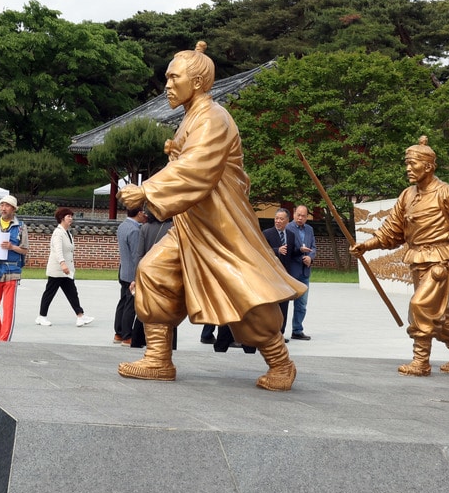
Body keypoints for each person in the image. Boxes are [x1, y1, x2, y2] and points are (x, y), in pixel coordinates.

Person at [119, 42, 305, 390]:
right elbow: (184, 165)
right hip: (192, 225)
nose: (168, 85)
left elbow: (196, 168)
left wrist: (147, 191)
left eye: (174, 77)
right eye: (167, 78)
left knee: (245, 293)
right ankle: (158, 358)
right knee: (153, 272)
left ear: (199, 81)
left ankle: (281, 364)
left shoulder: (213, 118)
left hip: (222, 228)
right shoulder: (192, 118)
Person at [351, 136, 449, 377]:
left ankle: (420, 361)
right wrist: (368, 246)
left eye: (412, 164)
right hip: (417, 258)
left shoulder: (448, 194)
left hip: (441, 259)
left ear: (428, 166)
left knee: (420, 305)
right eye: (406, 164)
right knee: (439, 312)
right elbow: (392, 229)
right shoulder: (407, 195)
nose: (407, 169)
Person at [36, 207, 95, 327]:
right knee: (50, 293)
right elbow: (58, 250)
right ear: (62, 218)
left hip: (66, 271)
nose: (71, 219)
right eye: (68, 216)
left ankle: (80, 316)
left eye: (71, 216)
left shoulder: (67, 232)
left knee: (72, 293)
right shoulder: (58, 233)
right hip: (58, 270)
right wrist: (63, 263)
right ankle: (41, 317)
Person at [0, 195, 28, 341]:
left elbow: (25, 250)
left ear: (13, 209)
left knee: (8, 309)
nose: (3, 208)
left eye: (7, 206)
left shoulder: (21, 227)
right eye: (2, 205)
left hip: (12, 272)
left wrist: (12, 247)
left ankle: (4, 340)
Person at [129, 208, 175, 349]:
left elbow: (139, 254)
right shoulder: (173, 227)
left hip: (147, 273)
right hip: (166, 274)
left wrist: (135, 277)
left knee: (145, 308)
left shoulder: (145, 227)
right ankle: (168, 345)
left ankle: (136, 341)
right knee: (169, 311)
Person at [263, 208, 304, 339]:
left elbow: (291, 253)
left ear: (287, 221)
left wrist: (301, 250)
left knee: (284, 306)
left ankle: (280, 334)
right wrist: (277, 250)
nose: (278, 221)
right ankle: (269, 334)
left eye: (281, 219)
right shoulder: (267, 234)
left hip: (285, 276)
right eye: (276, 218)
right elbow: (262, 251)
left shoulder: (290, 235)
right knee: (271, 306)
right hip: (271, 276)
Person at [114, 205, 144, 344]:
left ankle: (118, 332)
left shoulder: (122, 226)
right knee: (130, 305)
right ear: (139, 213)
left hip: (123, 269)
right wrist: (136, 276)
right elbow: (135, 255)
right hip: (131, 272)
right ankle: (127, 335)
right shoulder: (135, 230)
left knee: (122, 302)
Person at [288, 205, 316, 340]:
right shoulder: (288, 228)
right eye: (298, 215)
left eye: (303, 216)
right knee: (284, 304)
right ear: (294, 214)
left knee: (302, 304)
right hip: (291, 273)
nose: (300, 218)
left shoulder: (310, 229)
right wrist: (301, 256)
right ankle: (278, 331)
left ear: (307, 217)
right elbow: (288, 251)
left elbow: (313, 247)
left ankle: (297, 330)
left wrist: (310, 258)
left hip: (305, 272)